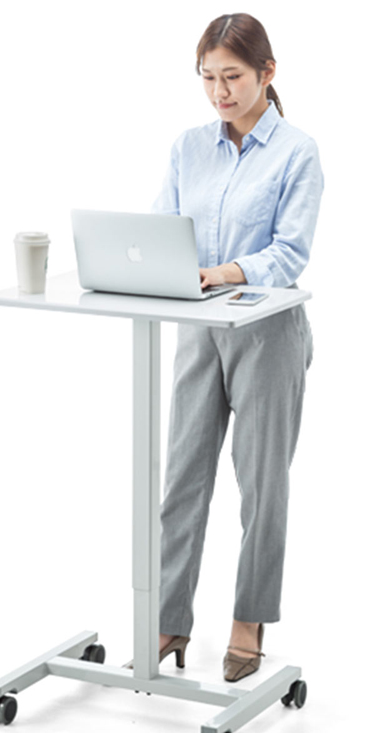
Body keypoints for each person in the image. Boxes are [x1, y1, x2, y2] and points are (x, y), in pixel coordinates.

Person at [151, 13, 323, 682]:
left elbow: (290, 252)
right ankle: (168, 619)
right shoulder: (188, 148)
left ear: (266, 73)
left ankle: (248, 621)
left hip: (266, 333)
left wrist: (224, 271)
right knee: (182, 479)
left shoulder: (297, 152)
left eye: (233, 77)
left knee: (261, 485)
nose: (219, 92)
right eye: (208, 78)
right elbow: (163, 229)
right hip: (199, 327)